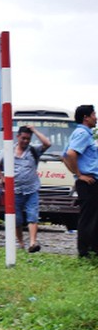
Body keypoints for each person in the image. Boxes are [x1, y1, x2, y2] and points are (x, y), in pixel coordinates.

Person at [0, 125, 51, 252]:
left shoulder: (33, 150)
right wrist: (2, 177)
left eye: (28, 139)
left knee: (32, 216)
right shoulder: (8, 151)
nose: (25, 141)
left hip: (32, 190)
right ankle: (21, 243)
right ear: (18, 136)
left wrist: (34, 130)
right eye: (23, 138)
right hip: (15, 191)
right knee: (17, 220)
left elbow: (47, 144)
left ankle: (32, 242)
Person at [63, 105, 98, 258]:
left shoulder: (78, 133)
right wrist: (79, 175)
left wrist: (76, 174)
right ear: (86, 117)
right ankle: (84, 251)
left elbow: (64, 156)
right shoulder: (82, 133)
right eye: (94, 114)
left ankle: (93, 248)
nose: (96, 118)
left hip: (88, 181)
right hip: (89, 182)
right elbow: (70, 154)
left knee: (93, 216)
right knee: (88, 217)